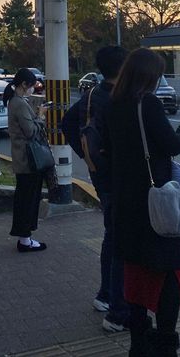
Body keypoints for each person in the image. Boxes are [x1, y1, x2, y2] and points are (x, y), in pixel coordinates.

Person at [104, 48, 180, 357]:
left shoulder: (115, 104)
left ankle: (138, 344)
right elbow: (172, 145)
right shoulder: (148, 104)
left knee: (135, 274)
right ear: (149, 76)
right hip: (155, 203)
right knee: (167, 273)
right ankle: (165, 343)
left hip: (125, 204)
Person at [62, 45, 129, 332]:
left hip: (101, 176)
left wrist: (90, 159)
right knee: (121, 241)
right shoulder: (119, 97)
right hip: (120, 178)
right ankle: (117, 307)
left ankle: (106, 295)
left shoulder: (92, 95)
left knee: (112, 236)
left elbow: (66, 124)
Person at [3, 67, 49, 252]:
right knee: (28, 199)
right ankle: (25, 239)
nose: (33, 89)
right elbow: (30, 131)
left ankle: (25, 238)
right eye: (31, 86)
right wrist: (41, 116)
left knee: (25, 198)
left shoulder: (16, 101)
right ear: (24, 85)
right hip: (28, 160)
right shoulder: (19, 104)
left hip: (22, 159)